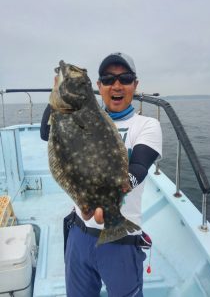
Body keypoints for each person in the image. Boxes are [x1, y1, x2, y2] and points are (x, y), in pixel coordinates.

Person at [40, 52, 162, 297]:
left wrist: (115, 194)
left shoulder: (147, 125)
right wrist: (56, 94)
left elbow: (140, 165)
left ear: (135, 85)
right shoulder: (73, 114)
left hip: (122, 239)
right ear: (98, 87)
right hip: (79, 233)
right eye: (108, 79)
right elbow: (46, 133)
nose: (116, 85)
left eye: (125, 78)